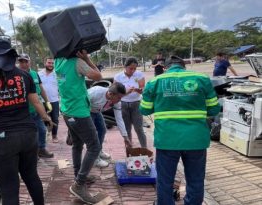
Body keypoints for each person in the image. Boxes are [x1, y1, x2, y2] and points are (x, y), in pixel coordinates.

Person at [0, 37, 54, 205]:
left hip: (0, 140)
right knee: (32, 177)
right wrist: (46, 118)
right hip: (28, 135)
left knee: (9, 188)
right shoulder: (24, 76)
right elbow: (35, 101)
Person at [140, 55, 221, 205]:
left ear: (166, 67)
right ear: (184, 66)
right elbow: (214, 109)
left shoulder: (155, 81)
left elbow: (144, 110)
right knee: (195, 180)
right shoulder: (202, 79)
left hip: (167, 139)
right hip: (196, 139)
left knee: (165, 181)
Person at [55, 49, 106, 204]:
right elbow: (98, 76)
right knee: (94, 147)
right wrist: (87, 58)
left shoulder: (58, 61)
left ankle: (79, 175)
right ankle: (79, 184)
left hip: (66, 111)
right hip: (79, 112)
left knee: (77, 144)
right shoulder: (77, 62)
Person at [18, 53, 54, 158]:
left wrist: (47, 102)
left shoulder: (34, 74)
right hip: (24, 111)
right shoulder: (16, 75)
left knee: (42, 130)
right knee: (29, 134)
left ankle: (41, 149)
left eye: (25, 61)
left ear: (29, 62)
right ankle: (31, 154)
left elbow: (41, 88)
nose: (23, 64)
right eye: (21, 62)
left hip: (37, 108)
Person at [88, 82, 130, 168]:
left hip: (97, 111)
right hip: (86, 111)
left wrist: (125, 137)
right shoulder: (95, 93)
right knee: (93, 134)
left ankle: (98, 151)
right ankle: (94, 158)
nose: (120, 100)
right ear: (110, 94)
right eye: (118, 97)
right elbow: (80, 102)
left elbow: (119, 119)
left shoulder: (116, 102)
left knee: (102, 130)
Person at [114, 57, 147, 148]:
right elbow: (115, 91)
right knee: (127, 129)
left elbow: (143, 89)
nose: (133, 71)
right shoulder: (118, 76)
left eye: (135, 68)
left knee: (139, 128)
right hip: (123, 104)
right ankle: (129, 151)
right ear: (125, 67)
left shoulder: (139, 74)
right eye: (130, 68)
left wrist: (138, 90)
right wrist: (125, 92)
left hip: (136, 103)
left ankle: (145, 149)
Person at [38, 57, 60, 143]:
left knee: (55, 119)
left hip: (54, 101)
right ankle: (45, 134)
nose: (51, 65)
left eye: (52, 63)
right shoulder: (39, 74)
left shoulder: (58, 74)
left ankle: (54, 136)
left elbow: (63, 86)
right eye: (49, 63)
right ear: (45, 63)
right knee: (43, 119)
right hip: (41, 101)